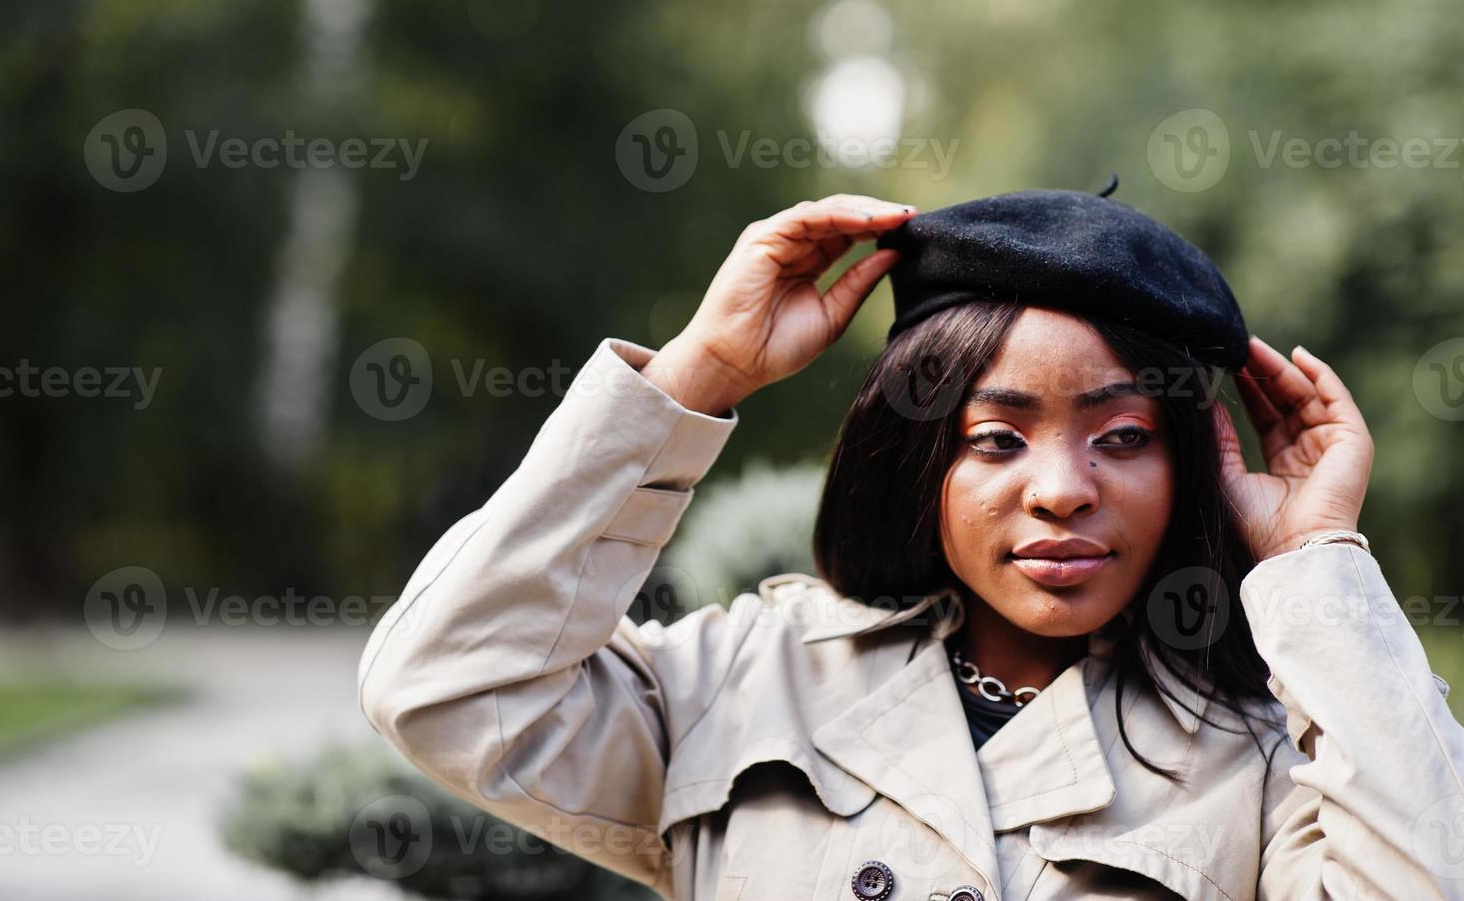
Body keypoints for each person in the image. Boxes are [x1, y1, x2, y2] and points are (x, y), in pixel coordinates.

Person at [357, 192, 1464, 900]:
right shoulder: (749, 675)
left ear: (1190, 469)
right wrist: (698, 374)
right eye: (996, 437)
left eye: (1123, 436)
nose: (1063, 490)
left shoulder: (1264, 757)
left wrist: (1314, 553)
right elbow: (450, 682)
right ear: (921, 460)